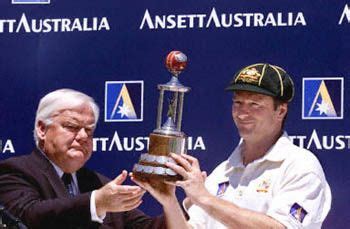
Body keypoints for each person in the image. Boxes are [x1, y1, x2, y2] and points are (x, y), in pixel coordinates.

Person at [133, 63, 332, 228]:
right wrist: (169, 202)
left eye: (255, 104)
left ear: (280, 111)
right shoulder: (224, 171)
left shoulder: (300, 166)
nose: (242, 113)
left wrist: (204, 198)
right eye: (238, 103)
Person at [0, 89, 165, 229]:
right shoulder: (15, 171)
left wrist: (180, 201)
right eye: (72, 127)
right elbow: (30, 217)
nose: (83, 136)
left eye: (89, 130)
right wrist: (95, 203)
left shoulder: (95, 182)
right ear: (42, 129)